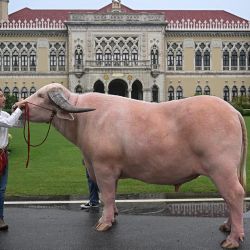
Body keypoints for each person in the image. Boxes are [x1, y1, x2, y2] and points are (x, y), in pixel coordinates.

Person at [0, 91, 24, 230]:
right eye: (1, 96)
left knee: (2, 189)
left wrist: (20, 110)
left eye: (3, 95)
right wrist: (19, 108)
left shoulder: (3, 114)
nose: (4, 98)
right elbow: (9, 123)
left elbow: (17, 124)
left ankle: (0, 218)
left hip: (3, 155)